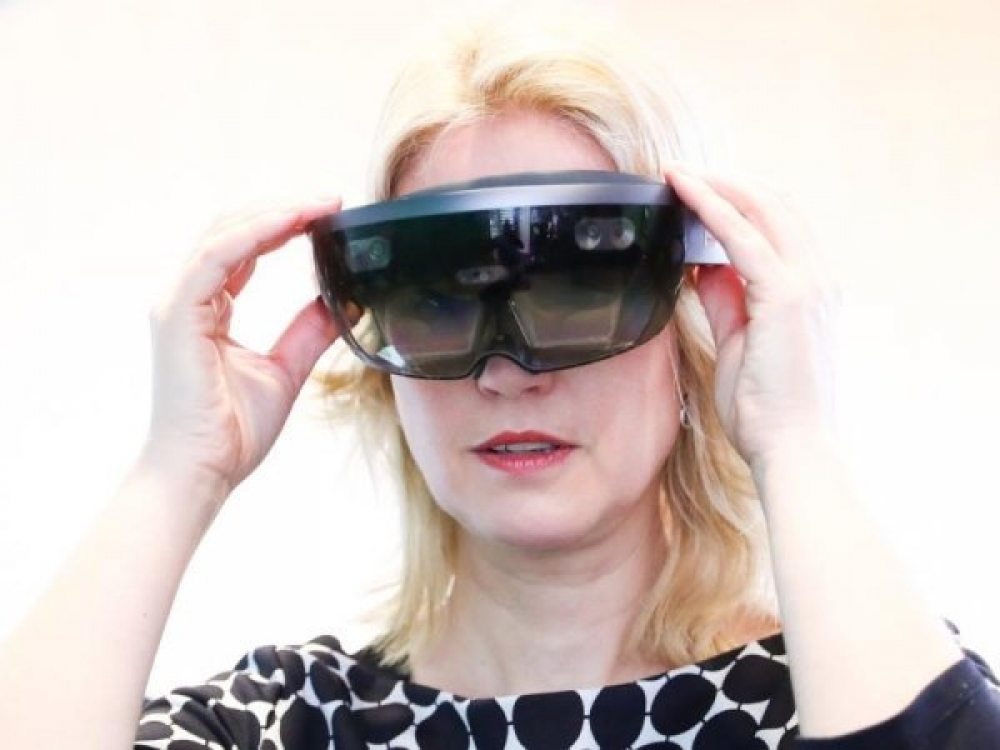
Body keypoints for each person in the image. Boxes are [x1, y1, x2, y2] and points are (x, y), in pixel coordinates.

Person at [1, 9, 998, 750]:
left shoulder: (841, 687)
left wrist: (796, 441)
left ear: (692, 320)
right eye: (436, 300)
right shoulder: (283, 724)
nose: (509, 370)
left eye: (576, 289)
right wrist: (177, 469)